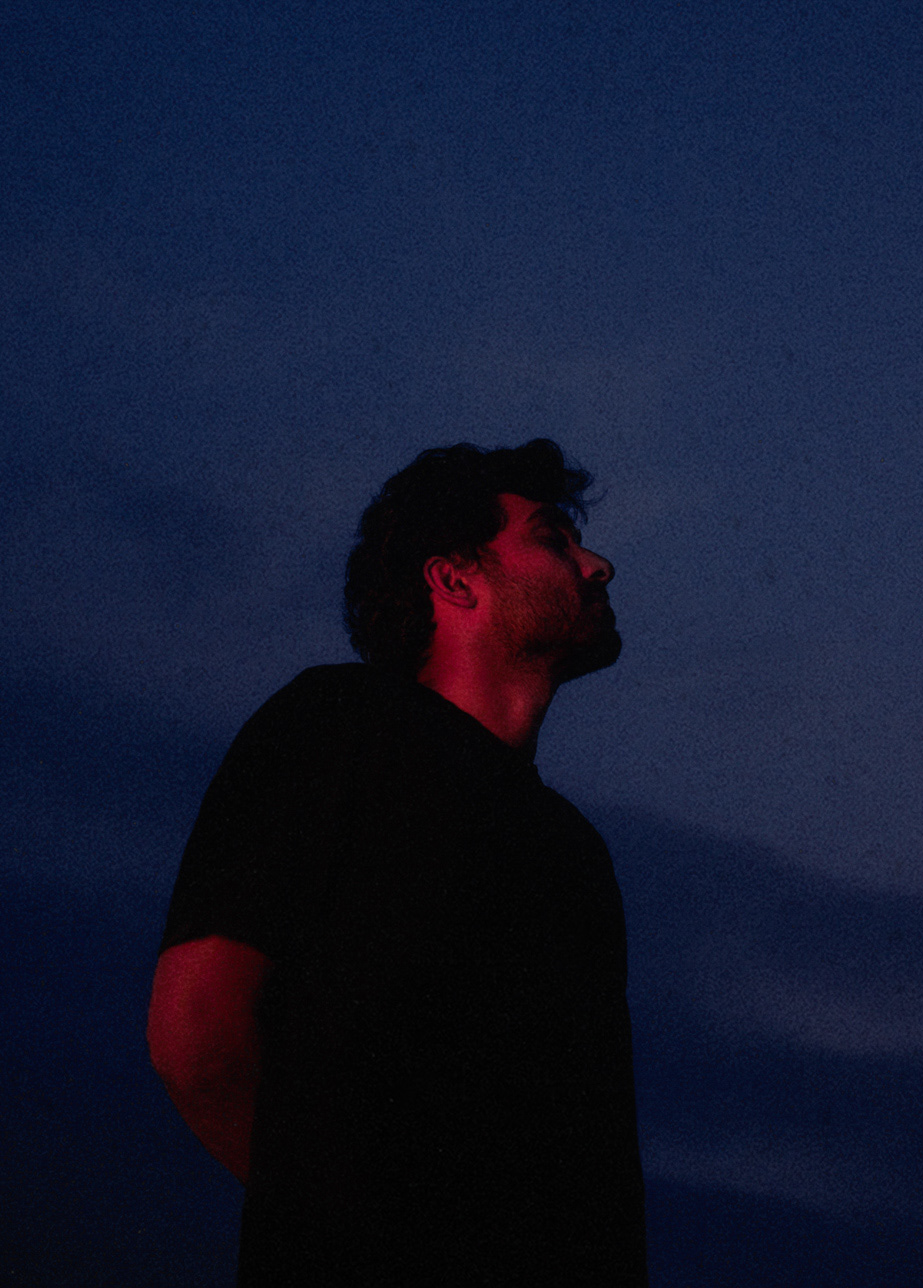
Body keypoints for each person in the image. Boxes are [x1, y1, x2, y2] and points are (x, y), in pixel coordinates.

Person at [147, 440, 648, 1286]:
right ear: (454, 579)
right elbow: (196, 1033)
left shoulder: (575, 850)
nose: (597, 564)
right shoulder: (338, 726)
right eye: (551, 539)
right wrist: (352, 1236)